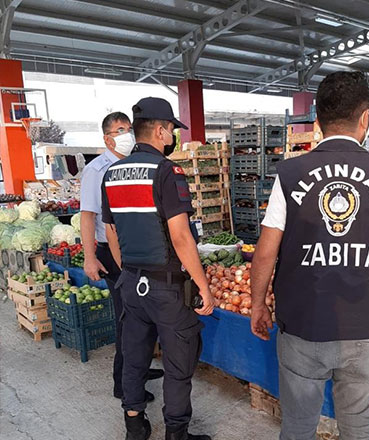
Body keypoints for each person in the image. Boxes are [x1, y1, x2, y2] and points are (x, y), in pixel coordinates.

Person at [248, 71, 369, 440]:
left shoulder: (291, 173)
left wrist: (258, 304)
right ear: (365, 119)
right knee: (359, 428)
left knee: (297, 427)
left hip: (303, 328)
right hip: (363, 329)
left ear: (317, 122)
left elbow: (264, 254)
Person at [102, 97, 213, 440]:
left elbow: (111, 232)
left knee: (135, 356)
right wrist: (203, 286)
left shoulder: (112, 173)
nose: (172, 137)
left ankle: (135, 425)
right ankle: (176, 433)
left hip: (131, 283)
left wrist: (130, 273)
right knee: (179, 363)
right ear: (162, 130)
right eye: (172, 130)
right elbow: (181, 237)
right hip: (166, 287)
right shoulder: (166, 171)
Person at [81, 112, 164, 403]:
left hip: (134, 250)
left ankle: (139, 369)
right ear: (107, 138)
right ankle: (123, 383)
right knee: (126, 319)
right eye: (119, 130)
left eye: (129, 128)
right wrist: (90, 257)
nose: (126, 134)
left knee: (143, 313)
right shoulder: (97, 170)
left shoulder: (131, 165)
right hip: (111, 252)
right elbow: (88, 216)